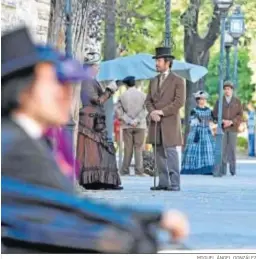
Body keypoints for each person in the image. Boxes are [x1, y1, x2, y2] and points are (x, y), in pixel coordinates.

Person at [1, 27, 189, 253]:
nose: (66, 93)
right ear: (23, 92)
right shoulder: (15, 146)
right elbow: (68, 208)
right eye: (55, 83)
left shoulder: (26, 138)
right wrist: (148, 221)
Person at [77, 52, 123, 190]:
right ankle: (94, 181)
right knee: (93, 151)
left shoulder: (90, 80)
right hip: (89, 122)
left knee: (101, 151)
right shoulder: (86, 81)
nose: (98, 68)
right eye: (97, 65)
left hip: (95, 120)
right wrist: (110, 89)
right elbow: (97, 100)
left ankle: (102, 180)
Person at [145, 47, 185, 191]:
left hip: (169, 122)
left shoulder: (178, 80)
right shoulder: (153, 80)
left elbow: (179, 102)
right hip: (155, 123)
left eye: (159, 60)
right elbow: (148, 100)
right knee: (158, 152)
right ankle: (163, 182)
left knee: (171, 153)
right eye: (156, 60)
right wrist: (152, 112)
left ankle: (175, 183)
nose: (156, 63)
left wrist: (161, 112)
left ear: (168, 62)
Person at [115, 76, 147, 176]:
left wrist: (129, 121)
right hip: (140, 125)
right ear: (134, 83)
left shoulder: (122, 96)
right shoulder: (143, 95)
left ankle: (124, 170)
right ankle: (139, 171)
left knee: (127, 148)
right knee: (138, 148)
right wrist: (136, 120)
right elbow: (146, 110)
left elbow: (119, 112)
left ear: (125, 85)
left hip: (127, 126)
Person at [213, 81, 243, 176]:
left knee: (232, 149)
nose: (227, 91)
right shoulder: (219, 101)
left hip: (233, 128)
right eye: (225, 89)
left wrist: (231, 122)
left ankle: (233, 170)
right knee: (222, 149)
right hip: (222, 128)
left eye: (229, 89)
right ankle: (222, 170)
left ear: (232, 90)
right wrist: (222, 121)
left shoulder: (237, 101)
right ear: (223, 90)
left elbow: (240, 115)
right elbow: (214, 115)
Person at [181, 91, 215, 175]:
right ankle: (194, 168)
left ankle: (208, 169)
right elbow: (191, 122)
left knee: (208, 149)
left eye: (204, 99)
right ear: (197, 100)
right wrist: (196, 120)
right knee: (194, 149)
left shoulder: (208, 110)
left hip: (206, 131)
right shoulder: (194, 110)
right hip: (196, 132)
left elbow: (214, 120)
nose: (203, 100)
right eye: (201, 99)